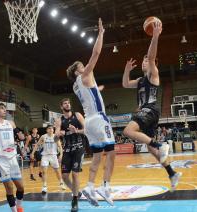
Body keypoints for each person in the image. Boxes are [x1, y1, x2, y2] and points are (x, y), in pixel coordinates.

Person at [121, 20, 181, 191]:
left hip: (150, 109)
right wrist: (126, 70)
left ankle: (160, 145)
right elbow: (125, 84)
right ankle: (172, 173)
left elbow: (152, 56)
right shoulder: (139, 80)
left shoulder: (153, 75)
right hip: (149, 113)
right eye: (143, 60)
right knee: (149, 148)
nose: (144, 62)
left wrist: (155, 37)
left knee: (128, 131)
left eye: (146, 60)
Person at [66, 18, 116, 207]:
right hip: (99, 117)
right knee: (111, 153)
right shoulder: (85, 75)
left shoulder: (76, 86)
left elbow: (90, 93)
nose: (85, 67)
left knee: (97, 155)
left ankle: (89, 186)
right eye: (82, 66)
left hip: (89, 122)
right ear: (79, 71)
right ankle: (105, 186)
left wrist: (98, 88)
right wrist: (101, 33)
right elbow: (95, 53)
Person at [55, 98, 86, 211]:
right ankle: (77, 191)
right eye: (65, 103)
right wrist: (57, 135)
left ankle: (75, 199)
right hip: (67, 149)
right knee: (64, 177)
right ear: (61, 106)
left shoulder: (77, 115)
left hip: (79, 147)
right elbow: (55, 138)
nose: (67, 105)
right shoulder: (59, 120)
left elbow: (87, 130)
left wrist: (76, 131)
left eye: (68, 103)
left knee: (75, 174)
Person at [31, 125, 66, 194]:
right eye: (49, 128)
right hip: (45, 156)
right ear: (47, 130)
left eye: (52, 128)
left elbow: (59, 146)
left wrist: (61, 154)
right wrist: (32, 153)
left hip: (53, 155)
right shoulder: (43, 136)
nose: (51, 130)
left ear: (53, 130)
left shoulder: (55, 137)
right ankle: (44, 186)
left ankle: (61, 183)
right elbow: (37, 145)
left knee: (57, 171)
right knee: (44, 171)